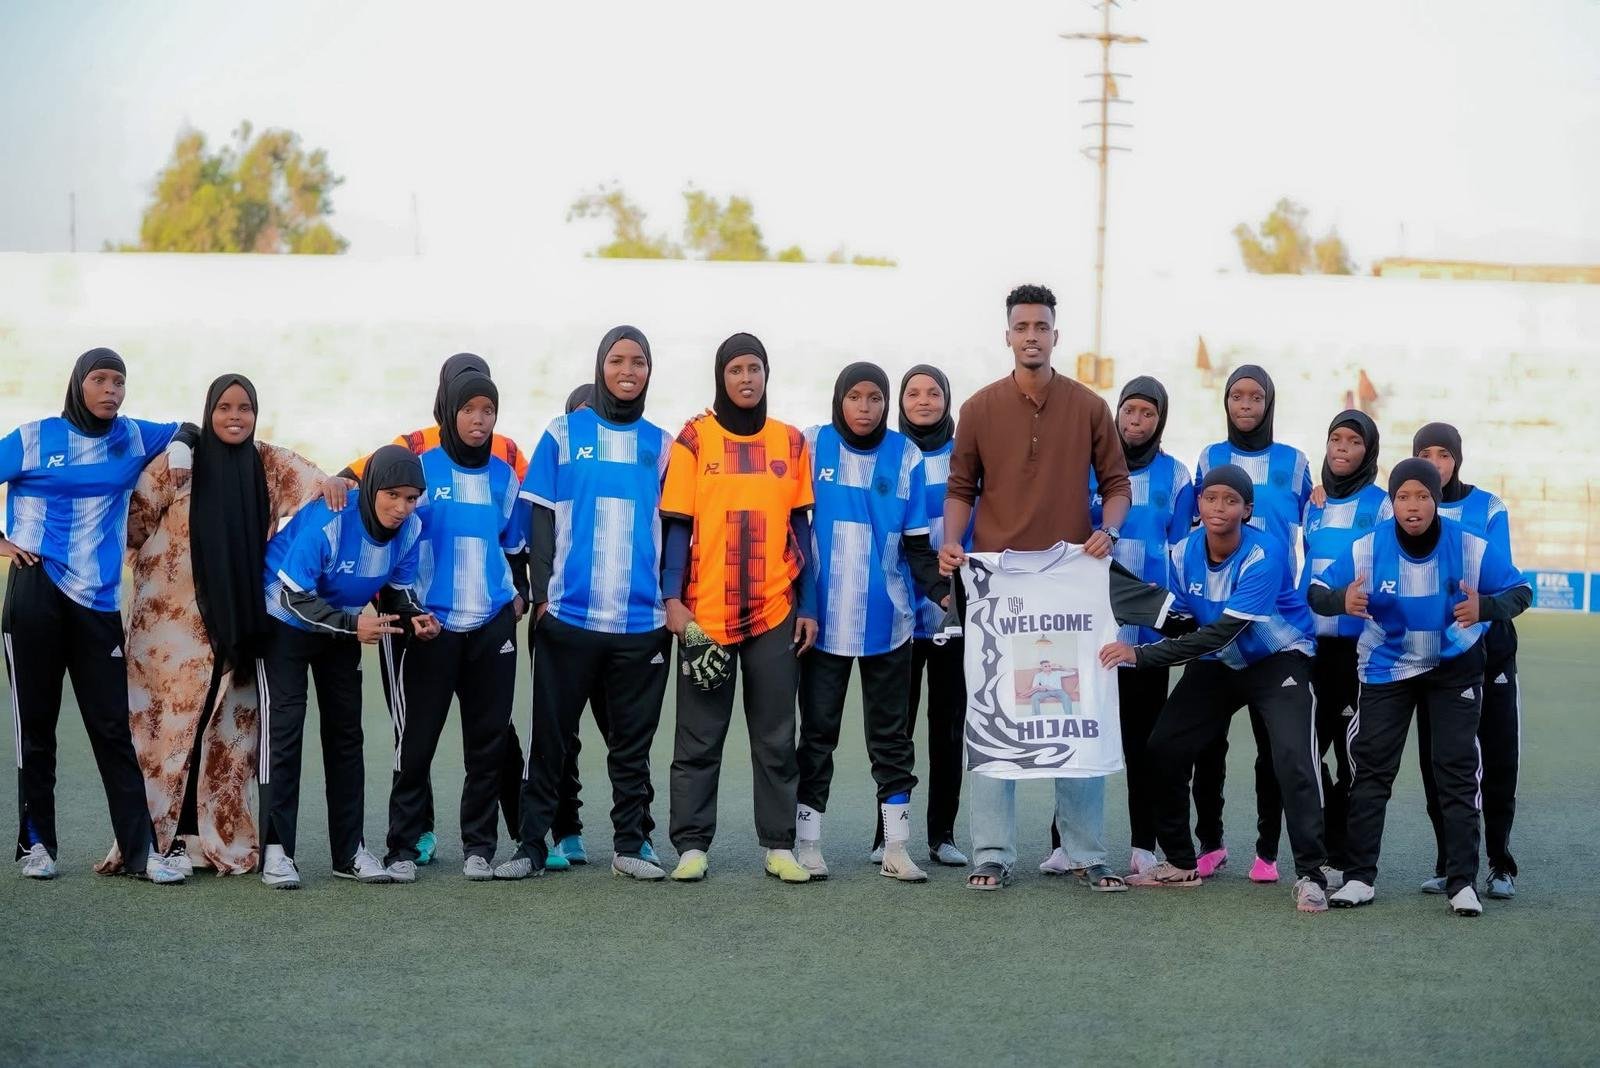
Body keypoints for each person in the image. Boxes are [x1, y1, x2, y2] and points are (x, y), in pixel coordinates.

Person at [95, 373, 332, 879]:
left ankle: (208, 838)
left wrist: (343, 481)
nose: (234, 417)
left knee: (224, 732)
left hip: (239, 621)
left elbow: (322, 488)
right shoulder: (179, 462)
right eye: (224, 407)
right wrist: (160, 569)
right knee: (168, 730)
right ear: (209, 411)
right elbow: (132, 524)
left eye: (245, 408)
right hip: (171, 627)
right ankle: (162, 840)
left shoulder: (267, 463)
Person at [941, 284, 1132, 892]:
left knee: (1075, 711)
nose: (1031, 335)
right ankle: (991, 853)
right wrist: (952, 541)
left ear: (1055, 335)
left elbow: (1117, 484)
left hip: (1071, 588)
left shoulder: (1089, 407)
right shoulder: (978, 408)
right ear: (1007, 335)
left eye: (1041, 326)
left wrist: (1108, 529)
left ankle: (1085, 852)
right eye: (1021, 326)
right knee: (993, 712)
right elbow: (961, 487)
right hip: (998, 591)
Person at [1100, 465, 1331, 913]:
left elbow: (1222, 631)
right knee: (1163, 748)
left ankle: (1311, 874)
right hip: (1219, 663)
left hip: (1277, 660)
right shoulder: (1184, 551)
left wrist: (1141, 655)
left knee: (1293, 758)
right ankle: (1180, 862)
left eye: (1230, 500)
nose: (1218, 507)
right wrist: (1123, 601)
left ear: (1247, 510)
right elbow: (1184, 619)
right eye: (1210, 498)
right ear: (1199, 505)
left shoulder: (1265, 552)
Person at [1310, 458, 1531, 916]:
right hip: (1387, 668)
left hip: (1453, 668)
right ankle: (1359, 878)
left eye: (1423, 496)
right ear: (1392, 503)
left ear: (1437, 500)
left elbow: (1521, 591)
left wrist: (1486, 608)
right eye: (1403, 497)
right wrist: (1340, 600)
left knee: (1456, 769)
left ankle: (1462, 883)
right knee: (1372, 770)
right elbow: (1315, 590)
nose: (1413, 506)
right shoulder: (1368, 546)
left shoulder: (1469, 545)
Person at [494, 327, 673, 882]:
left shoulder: (664, 445)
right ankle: (530, 846)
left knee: (631, 746)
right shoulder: (563, 432)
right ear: (601, 366)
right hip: (569, 619)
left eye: (638, 361)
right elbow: (541, 517)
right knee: (550, 741)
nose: (628, 370)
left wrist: (670, 600)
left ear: (649, 371)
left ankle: (630, 845)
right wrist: (543, 597)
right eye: (617, 360)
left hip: (641, 624)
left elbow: (677, 532)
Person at [1, 348, 186, 883]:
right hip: (36, 592)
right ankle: (36, 846)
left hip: (99, 604)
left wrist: (180, 451)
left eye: (118, 381)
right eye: (100, 379)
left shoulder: (133, 435)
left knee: (113, 729)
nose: (110, 390)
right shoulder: (35, 438)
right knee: (36, 728)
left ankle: (140, 853)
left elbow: (189, 428)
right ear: (78, 383)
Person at [342, 352, 528, 868]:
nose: (478, 420)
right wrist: (402, 608)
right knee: (416, 744)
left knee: (487, 744)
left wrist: (519, 596)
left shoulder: (505, 474)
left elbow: (515, 546)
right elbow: (382, 523)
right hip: (429, 625)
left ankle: (479, 849)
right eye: (468, 409)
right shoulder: (418, 468)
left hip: (491, 624)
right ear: (448, 409)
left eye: (488, 410)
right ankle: (403, 847)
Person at [660, 332, 817, 884]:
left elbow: (801, 529)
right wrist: (672, 599)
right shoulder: (694, 438)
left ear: (767, 375)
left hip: (774, 609)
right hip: (706, 613)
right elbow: (676, 525)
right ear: (720, 376)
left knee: (775, 737)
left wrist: (808, 604)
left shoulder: (790, 442)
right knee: (698, 737)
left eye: (754, 368)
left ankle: (779, 846)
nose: (746, 379)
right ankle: (691, 846)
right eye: (735, 370)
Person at [794, 362, 945, 883]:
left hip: (890, 624)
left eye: (875, 398)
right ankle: (808, 843)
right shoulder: (812, 444)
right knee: (818, 737)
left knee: (891, 740)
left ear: (887, 403)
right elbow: (791, 524)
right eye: (855, 396)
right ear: (840, 399)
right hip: (822, 625)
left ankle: (896, 848)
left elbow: (918, 546)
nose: (865, 407)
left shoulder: (906, 455)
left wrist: (944, 594)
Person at [257, 445, 433, 888]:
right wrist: (354, 626)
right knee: (285, 733)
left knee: (346, 737)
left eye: (411, 498)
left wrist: (415, 616)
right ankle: (277, 852)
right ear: (371, 489)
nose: (402, 507)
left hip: (342, 626)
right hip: (284, 621)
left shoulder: (412, 529)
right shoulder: (331, 518)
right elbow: (293, 596)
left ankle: (349, 851)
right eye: (392, 495)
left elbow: (397, 591)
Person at [1046, 376, 1197, 879]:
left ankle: (1143, 844)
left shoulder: (1177, 475)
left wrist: (1175, 615)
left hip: (1145, 637)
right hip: (1087, 629)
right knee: (1078, 735)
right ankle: (1064, 842)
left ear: (1160, 420)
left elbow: (1180, 551)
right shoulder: (1088, 467)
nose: (1136, 421)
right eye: (1129, 410)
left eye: (1147, 413)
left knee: (1143, 741)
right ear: (1116, 414)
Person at [1191, 364, 1312, 884]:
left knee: (1273, 751)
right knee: (1206, 745)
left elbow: (1316, 523)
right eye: (1236, 395)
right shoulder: (1209, 458)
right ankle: (1210, 843)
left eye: (1255, 396)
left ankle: (1267, 851)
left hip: (1274, 627)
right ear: (1225, 402)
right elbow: (1194, 528)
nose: (1245, 405)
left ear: (1269, 403)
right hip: (1216, 621)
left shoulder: (1296, 462)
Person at [542, 381, 661, 870]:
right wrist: (540, 598)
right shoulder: (562, 448)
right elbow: (537, 530)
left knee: (626, 736)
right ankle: (565, 830)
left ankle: (638, 834)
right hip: (567, 619)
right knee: (560, 737)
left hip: (629, 625)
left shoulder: (652, 447)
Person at [1412, 423, 1524, 901]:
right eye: (1425, 454)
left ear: (1457, 459)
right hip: (1432, 658)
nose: (1435, 463)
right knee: (1439, 764)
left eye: (1444, 454)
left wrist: (1480, 606)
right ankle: (1449, 863)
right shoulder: (1406, 504)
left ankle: (1499, 864)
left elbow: (1503, 581)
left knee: (1498, 760)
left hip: (1491, 653)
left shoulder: (1489, 507)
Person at [866, 365, 969, 868]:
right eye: (913, 393)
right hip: (898, 614)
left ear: (947, 400)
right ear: (900, 401)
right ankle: (886, 834)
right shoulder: (887, 454)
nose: (924, 401)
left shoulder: (965, 455)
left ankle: (941, 834)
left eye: (933, 393)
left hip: (953, 613)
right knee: (894, 730)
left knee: (948, 729)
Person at [1299, 410, 1389, 886]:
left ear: (1368, 452)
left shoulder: (1382, 504)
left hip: (1358, 652)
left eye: (1354, 441)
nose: (1342, 448)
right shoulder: (1313, 504)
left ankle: (1350, 857)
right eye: (1336, 438)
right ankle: (1320, 851)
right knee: (1309, 752)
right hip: (1312, 649)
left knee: (1353, 756)